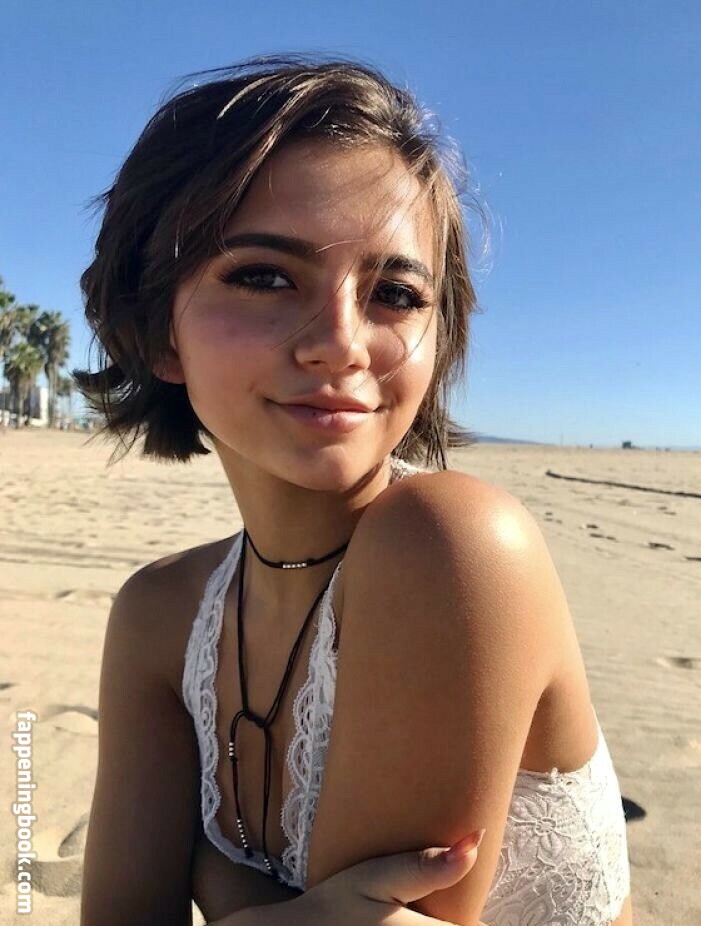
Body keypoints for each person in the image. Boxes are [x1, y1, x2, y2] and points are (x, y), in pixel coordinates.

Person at [76, 55, 632, 926]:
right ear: (155, 330)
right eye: (264, 275)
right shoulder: (159, 614)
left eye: (395, 293)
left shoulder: (452, 544)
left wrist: (220, 885)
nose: (341, 342)